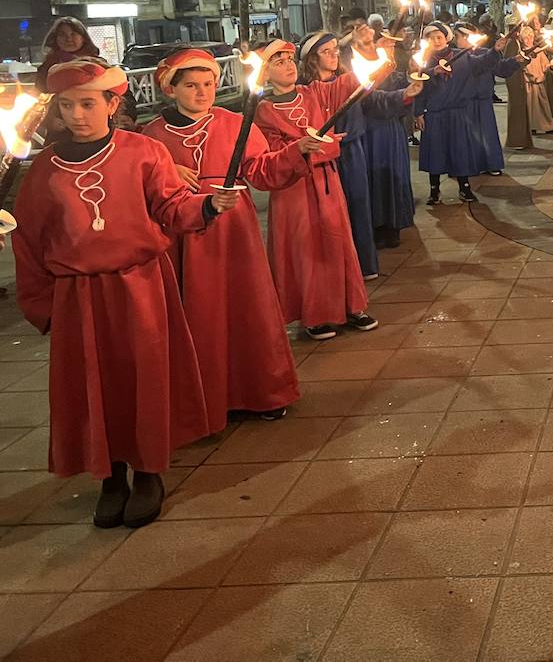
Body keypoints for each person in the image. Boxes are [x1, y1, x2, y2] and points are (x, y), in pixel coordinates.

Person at [12, 60, 238, 528]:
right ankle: (110, 476)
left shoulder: (142, 151)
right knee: (93, 386)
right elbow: (28, 241)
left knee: (143, 379)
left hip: (138, 287)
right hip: (77, 297)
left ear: (113, 104)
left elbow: (171, 205)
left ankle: (149, 471)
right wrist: (42, 305)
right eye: (67, 106)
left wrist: (207, 206)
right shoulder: (43, 170)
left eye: (87, 103)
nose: (77, 115)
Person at [143, 49, 310, 428]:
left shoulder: (235, 123)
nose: (202, 93)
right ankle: (203, 401)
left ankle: (259, 391)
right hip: (184, 237)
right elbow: (140, 179)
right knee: (197, 312)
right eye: (191, 86)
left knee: (245, 306)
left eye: (208, 84)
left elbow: (261, 170)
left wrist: (296, 151)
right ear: (171, 89)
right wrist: (166, 169)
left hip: (234, 232)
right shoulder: (152, 137)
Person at [252, 38, 376, 341]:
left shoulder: (315, 92)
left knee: (338, 241)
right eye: (278, 62)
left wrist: (376, 61)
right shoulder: (264, 111)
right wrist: (300, 149)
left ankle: (350, 305)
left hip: (327, 182)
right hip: (293, 189)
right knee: (306, 249)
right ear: (265, 72)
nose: (288, 66)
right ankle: (315, 314)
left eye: (289, 60)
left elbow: (351, 84)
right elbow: (270, 155)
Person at [299, 29, 420, 279]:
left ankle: (360, 265)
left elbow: (374, 101)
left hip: (352, 153)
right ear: (312, 58)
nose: (334, 55)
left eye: (335, 50)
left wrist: (405, 94)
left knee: (357, 206)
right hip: (320, 160)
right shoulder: (304, 91)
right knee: (328, 215)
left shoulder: (348, 81)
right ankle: (332, 270)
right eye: (326, 51)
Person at [416, 21, 522, 204]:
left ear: (446, 39)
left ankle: (464, 188)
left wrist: (495, 50)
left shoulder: (462, 56)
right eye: (431, 38)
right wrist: (418, 112)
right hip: (435, 114)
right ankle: (434, 189)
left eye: (439, 37)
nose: (436, 41)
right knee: (436, 151)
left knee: (460, 151)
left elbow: (483, 63)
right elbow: (418, 87)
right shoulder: (422, 61)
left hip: (458, 113)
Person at [516, 22, 553, 136]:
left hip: (539, 84)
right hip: (528, 85)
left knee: (543, 106)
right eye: (526, 38)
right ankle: (531, 127)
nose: (529, 39)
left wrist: (551, 66)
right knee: (530, 108)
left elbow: (545, 65)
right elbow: (521, 68)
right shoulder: (521, 53)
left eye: (531, 37)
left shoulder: (539, 52)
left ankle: (547, 126)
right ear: (522, 39)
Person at [35, 17, 101, 91]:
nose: (68, 39)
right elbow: (41, 88)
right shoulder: (48, 65)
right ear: (55, 39)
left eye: (73, 34)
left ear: (83, 38)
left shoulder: (97, 63)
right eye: (62, 34)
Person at [501, 16, 533, 150]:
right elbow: (510, 63)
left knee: (521, 108)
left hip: (519, 78)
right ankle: (516, 140)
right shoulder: (511, 43)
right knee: (517, 109)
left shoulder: (516, 42)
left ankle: (523, 139)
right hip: (515, 80)